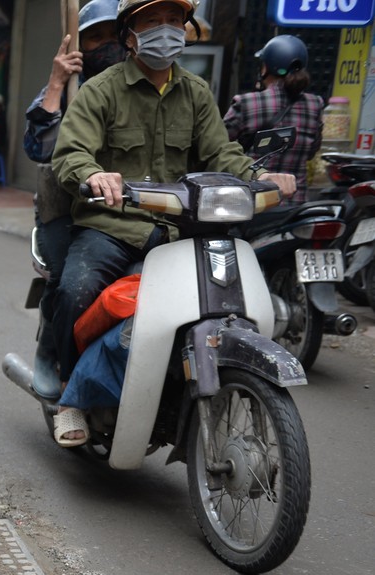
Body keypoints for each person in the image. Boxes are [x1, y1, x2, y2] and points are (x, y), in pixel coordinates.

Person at [50, 0, 297, 446]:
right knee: (75, 290)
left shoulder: (197, 92)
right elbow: (71, 154)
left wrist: (260, 178)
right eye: (152, 21)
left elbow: (222, 154)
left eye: (173, 21)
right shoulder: (101, 91)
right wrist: (94, 175)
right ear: (130, 35)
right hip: (114, 226)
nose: (166, 30)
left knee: (218, 301)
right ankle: (71, 399)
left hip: (181, 231)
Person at [22, 0, 127, 398]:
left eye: (112, 36)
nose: (105, 45)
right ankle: (51, 352)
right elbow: (38, 148)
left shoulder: (139, 88)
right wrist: (55, 84)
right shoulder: (65, 90)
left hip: (127, 211)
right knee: (70, 282)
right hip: (64, 210)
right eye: (94, 38)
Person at [223, 35, 323, 205]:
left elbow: (218, 148)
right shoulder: (315, 104)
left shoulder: (246, 103)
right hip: (293, 206)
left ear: (265, 68)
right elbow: (312, 151)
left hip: (251, 203)